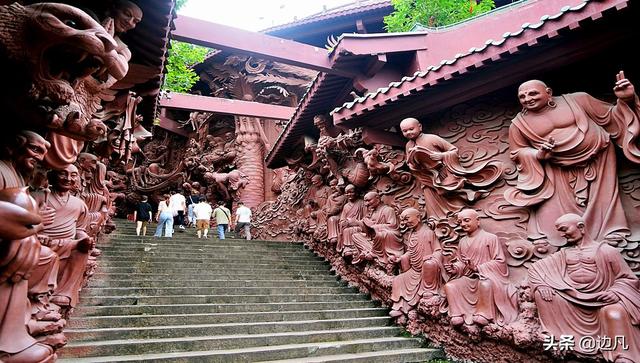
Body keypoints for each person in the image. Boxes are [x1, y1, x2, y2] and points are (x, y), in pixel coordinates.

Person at [505, 72, 640, 247]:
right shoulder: (518, 124)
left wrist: (626, 100)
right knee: (559, 210)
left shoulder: (578, 100)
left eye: (533, 93)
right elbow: (517, 152)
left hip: (598, 156)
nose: (527, 99)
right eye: (522, 96)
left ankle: (611, 233)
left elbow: (611, 118)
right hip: (557, 166)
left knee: (603, 199)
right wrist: (538, 154)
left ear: (548, 92)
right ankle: (571, 240)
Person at [529, 213, 640, 362]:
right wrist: (541, 285)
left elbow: (627, 278)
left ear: (581, 227)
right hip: (573, 297)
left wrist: (615, 293)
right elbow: (535, 269)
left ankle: (622, 355)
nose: (562, 235)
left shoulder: (607, 251)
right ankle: (562, 341)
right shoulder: (563, 254)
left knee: (614, 313)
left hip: (602, 298)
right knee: (544, 296)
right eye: (559, 231)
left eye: (564, 229)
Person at [400, 117, 502, 220]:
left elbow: (454, 150)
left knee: (448, 190)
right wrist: (412, 164)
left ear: (420, 127)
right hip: (427, 177)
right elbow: (411, 162)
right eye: (405, 131)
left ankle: (463, 209)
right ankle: (438, 221)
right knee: (431, 199)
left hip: (443, 171)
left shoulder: (431, 138)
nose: (408, 132)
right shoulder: (408, 145)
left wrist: (442, 156)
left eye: (411, 129)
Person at [443, 209, 518, 327]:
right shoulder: (462, 241)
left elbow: (500, 262)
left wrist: (478, 268)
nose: (463, 224)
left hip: (487, 277)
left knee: (485, 285)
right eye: (460, 222)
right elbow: (461, 262)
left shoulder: (490, 238)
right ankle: (457, 313)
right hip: (470, 278)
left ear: (477, 221)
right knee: (450, 286)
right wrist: (455, 268)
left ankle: (484, 313)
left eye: (466, 220)